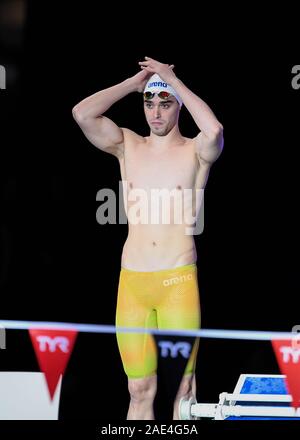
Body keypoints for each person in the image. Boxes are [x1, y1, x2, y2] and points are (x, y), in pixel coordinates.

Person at [72, 57, 224, 420]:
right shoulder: (128, 145)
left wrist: (174, 79)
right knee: (139, 389)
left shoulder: (195, 151)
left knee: (182, 391)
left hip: (176, 281)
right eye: (150, 103)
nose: (155, 113)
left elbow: (215, 130)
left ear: (179, 107)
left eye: (166, 103)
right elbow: (82, 113)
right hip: (133, 283)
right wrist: (131, 83)